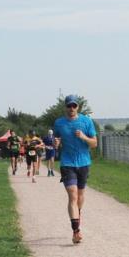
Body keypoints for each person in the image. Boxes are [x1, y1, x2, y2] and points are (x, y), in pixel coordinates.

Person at [53, 95, 97, 244]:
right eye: (69, 106)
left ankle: (77, 217)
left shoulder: (86, 121)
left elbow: (94, 144)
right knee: (72, 196)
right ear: (65, 107)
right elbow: (56, 143)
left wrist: (84, 137)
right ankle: (76, 231)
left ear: (78, 107)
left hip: (84, 163)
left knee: (79, 197)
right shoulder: (59, 123)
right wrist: (56, 143)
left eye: (74, 106)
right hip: (67, 163)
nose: (71, 108)